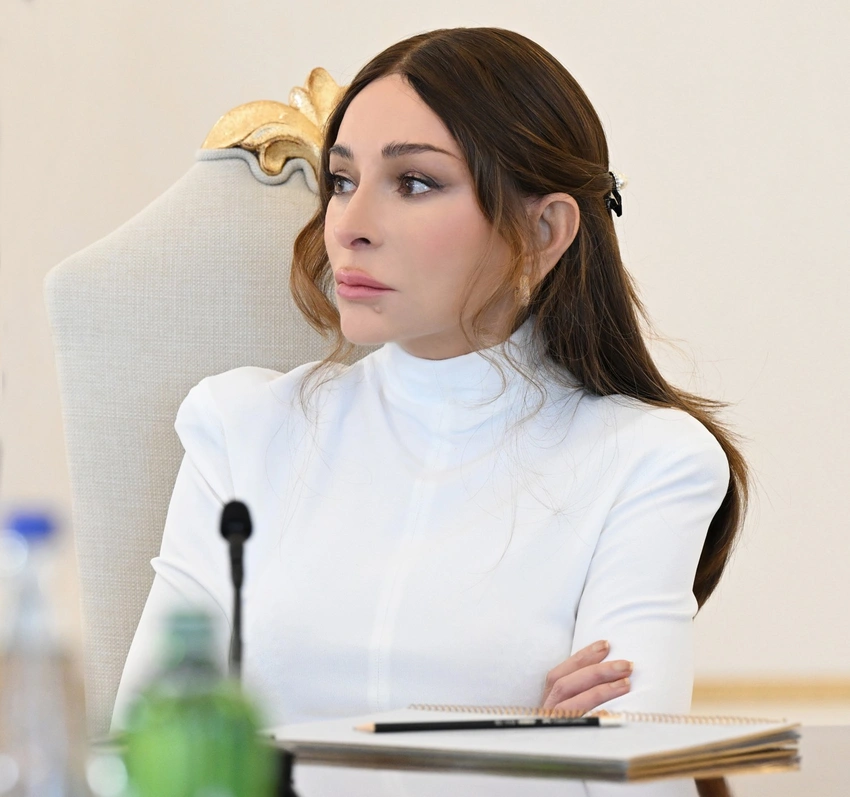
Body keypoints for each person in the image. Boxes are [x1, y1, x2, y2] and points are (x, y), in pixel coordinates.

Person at [113, 27, 747, 729]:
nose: (348, 226)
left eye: (414, 182)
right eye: (342, 182)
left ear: (544, 231)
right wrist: (531, 742)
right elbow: (145, 748)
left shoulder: (650, 461)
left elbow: (627, 761)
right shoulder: (241, 430)